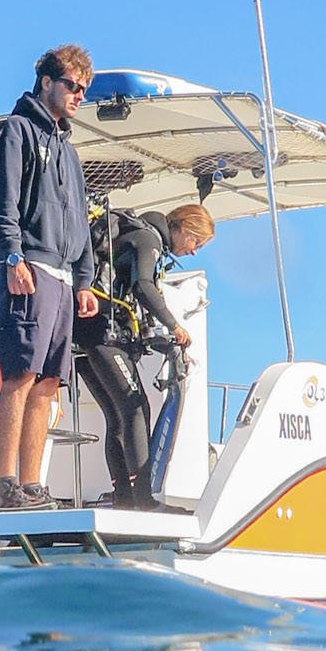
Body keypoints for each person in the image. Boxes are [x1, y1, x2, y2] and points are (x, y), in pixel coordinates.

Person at [0, 44, 100, 510]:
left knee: (50, 382)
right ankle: (6, 485)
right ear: (47, 82)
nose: (79, 96)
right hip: (28, 267)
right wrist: (12, 257)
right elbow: (0, 201)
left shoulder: (68, 151)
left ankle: (31, 486)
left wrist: (85, 280)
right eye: (73, 86)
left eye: (84, 91)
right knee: (20, 374)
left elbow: (82, 221)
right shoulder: (16, 132)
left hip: (64, 278)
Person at [75, 204, 214, 508]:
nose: (193, 252)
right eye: (196, 243)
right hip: (101, 331)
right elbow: (143, 287)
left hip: (85, 333)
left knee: (118, 415)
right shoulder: (148, 239)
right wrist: (174, 325)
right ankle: (144, 499)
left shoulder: (137, 234)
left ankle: (125, 498)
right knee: (135, 408)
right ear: (185, 229)